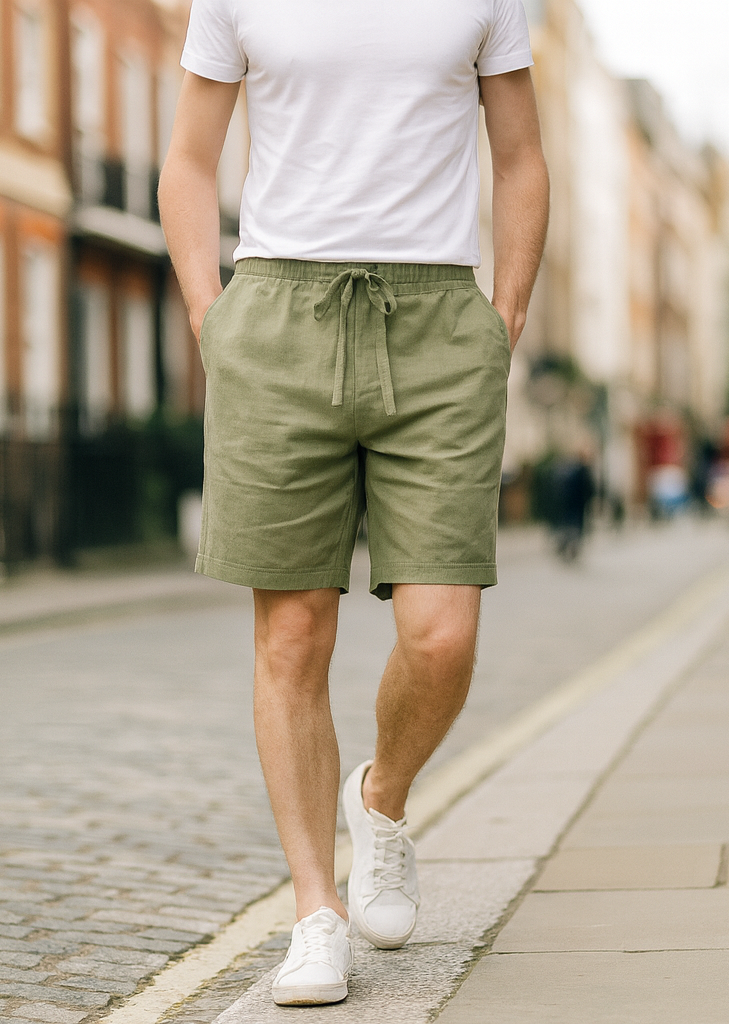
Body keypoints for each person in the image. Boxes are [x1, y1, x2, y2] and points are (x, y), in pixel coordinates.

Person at [158, 0, 549, 1007]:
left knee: (441, 634)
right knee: (292, 635)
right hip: (277, 317)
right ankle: (315, 911)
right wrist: (215, 318)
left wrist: (499, 322)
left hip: (437, 323)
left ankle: (380, 799)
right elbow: (191, 158)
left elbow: (521, 156)